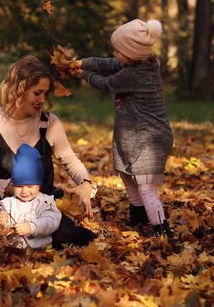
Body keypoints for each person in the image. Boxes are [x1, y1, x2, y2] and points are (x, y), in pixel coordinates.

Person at [0, 55, 96, 248]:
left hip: (44, 208)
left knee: (74, 237)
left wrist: (85, 182)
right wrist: (4, 186)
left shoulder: (48, 123)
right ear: (19, 90)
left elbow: (70, 160)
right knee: (11, 242)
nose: (42, 99)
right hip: (7, 211)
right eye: (37, 93)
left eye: (45, 94)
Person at [72, 19, 174, 240]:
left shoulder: (134, 75)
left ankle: (161, 230)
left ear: (132, 54)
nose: (115, 54)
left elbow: (108, 83)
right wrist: (84, 61)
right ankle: (138, 215)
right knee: (128, 175)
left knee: (146, 187)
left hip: (150, 138)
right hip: (132, 135)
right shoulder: (141, 62)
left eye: (119, 51)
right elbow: (109, 64)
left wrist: (83, 74)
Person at [0, 144, 62, 249]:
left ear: (39, 185)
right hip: (14, 250)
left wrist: (31, 227)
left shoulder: (44, 202)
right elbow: (1, 231)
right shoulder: (9, 204)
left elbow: (51, 221)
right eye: (19, 186)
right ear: (13, 185)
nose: (24, 191)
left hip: (41, 250)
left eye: (30, 186)